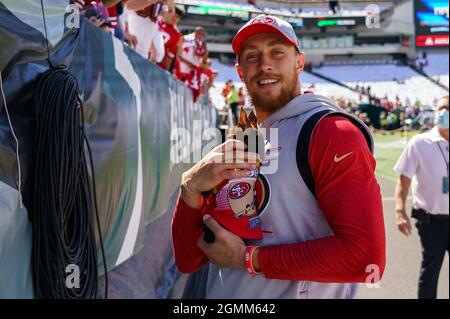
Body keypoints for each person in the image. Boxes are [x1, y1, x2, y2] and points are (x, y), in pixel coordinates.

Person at [171, 14, 385, 299]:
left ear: (299, 61)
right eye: (252, 56)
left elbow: (365, 258)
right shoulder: (242, 137)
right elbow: (189, 259)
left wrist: (249, 259)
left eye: (277, 52)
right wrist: (189, 188)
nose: (265, 64)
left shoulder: (333, 131)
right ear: (240, 71)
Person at [394, 96, 449, 299]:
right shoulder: (420, 143)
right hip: (431, 221)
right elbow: (403, 179)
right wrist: (400, 211)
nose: (444, 112)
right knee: (430, 274)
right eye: (441, 108)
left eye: (448, 108)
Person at [156, 4, 184, 71]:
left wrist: (166, 70)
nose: (175, 18)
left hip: (158, 64)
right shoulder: (156, 19)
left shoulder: (176, 34)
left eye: (177, 17)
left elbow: (170, 55)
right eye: (174, 15)